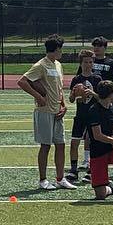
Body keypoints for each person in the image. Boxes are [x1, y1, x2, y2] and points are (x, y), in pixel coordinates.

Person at [18, 35, 75, 190]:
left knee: (61, 144)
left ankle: (60, 178)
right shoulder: (41, 65)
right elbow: (22, 81)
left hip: (57, 111)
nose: (62, 52)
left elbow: (59, 88)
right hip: (44, 111)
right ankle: (43, 180)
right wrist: (38, 96)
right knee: (46, 145)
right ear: (56, 49)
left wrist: (63, 105)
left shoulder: (58, 65)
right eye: (60, 49)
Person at [65, 49, 99, 182]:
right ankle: (74, 171)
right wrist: (75, 94)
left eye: (90, 62)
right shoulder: (76, 79)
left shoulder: (97, 78)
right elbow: (71, 99)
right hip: (80, 115)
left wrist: (92, 93)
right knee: (74, 143)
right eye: (85, 62)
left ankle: (92, 171)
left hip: (93, 116)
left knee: (94, 143)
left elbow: (101, 98)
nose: (88, 64)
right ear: (80, 63)